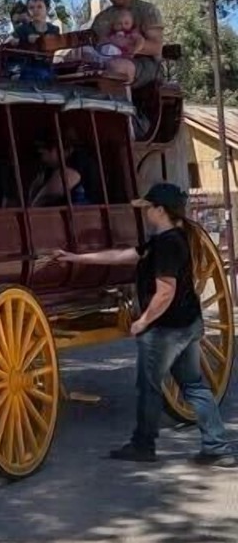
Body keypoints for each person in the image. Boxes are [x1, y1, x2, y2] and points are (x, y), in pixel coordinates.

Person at [53, 183, 236, 464]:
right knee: (193, 385)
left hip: (167, 330)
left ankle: (144, 445)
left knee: (150, 387)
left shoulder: (167, 245)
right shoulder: (164, 240)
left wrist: (143, 321)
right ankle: (216, 446)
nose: (146, 212)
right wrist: (76, 257)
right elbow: (123, 256)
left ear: (160, 210)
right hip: (186, 325)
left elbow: (166, 291)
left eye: (149, 207)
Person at [87, 0, 165, 89]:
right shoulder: (101, 18)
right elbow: (93, 46)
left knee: (116, 68)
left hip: (145, 64)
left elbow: (156, 48)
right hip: (104, 60)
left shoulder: (147, 10)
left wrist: (124, 45)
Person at [26, 135, 87, 207]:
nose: (41, 150)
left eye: (47, 147)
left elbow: (37, 203)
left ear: (65, 151)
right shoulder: (45, 173)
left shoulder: (69, 174)